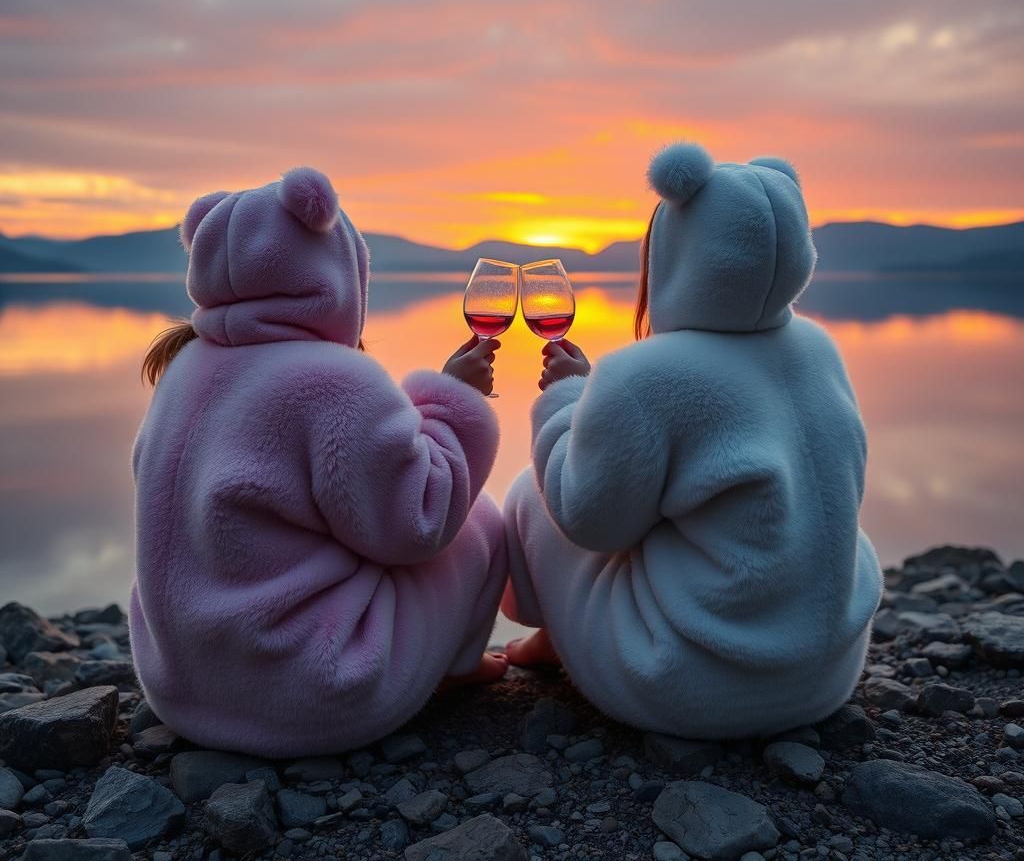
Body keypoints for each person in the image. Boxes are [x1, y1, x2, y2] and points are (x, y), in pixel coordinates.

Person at [501, 143, 883, 739]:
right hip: (823, 679)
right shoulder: (818, 349)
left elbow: (588, 522)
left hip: (694, 688)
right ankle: (563, 637)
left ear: (676, 249)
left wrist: (567, 402)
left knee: (536, 488)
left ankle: (553, 638)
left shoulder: (646, 376)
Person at [130, 167, 508, 757]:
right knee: (475, 515)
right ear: (338, 268)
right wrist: (452, 402)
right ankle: (456, 666)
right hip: (309, 696)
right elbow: (416, 525)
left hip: (182, 690)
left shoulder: (184, 371)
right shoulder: (332, 380)